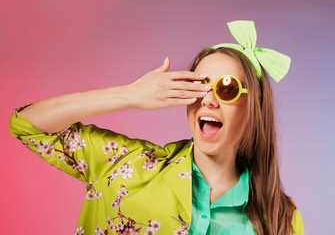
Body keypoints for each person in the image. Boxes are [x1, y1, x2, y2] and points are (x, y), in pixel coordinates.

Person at [9, 20, 304, 235]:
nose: (209, 100)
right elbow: (28, 125)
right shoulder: (125, 164)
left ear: (253, 107)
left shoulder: (281, 218)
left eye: (226, 88)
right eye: (199, 86)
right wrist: (129, 95)